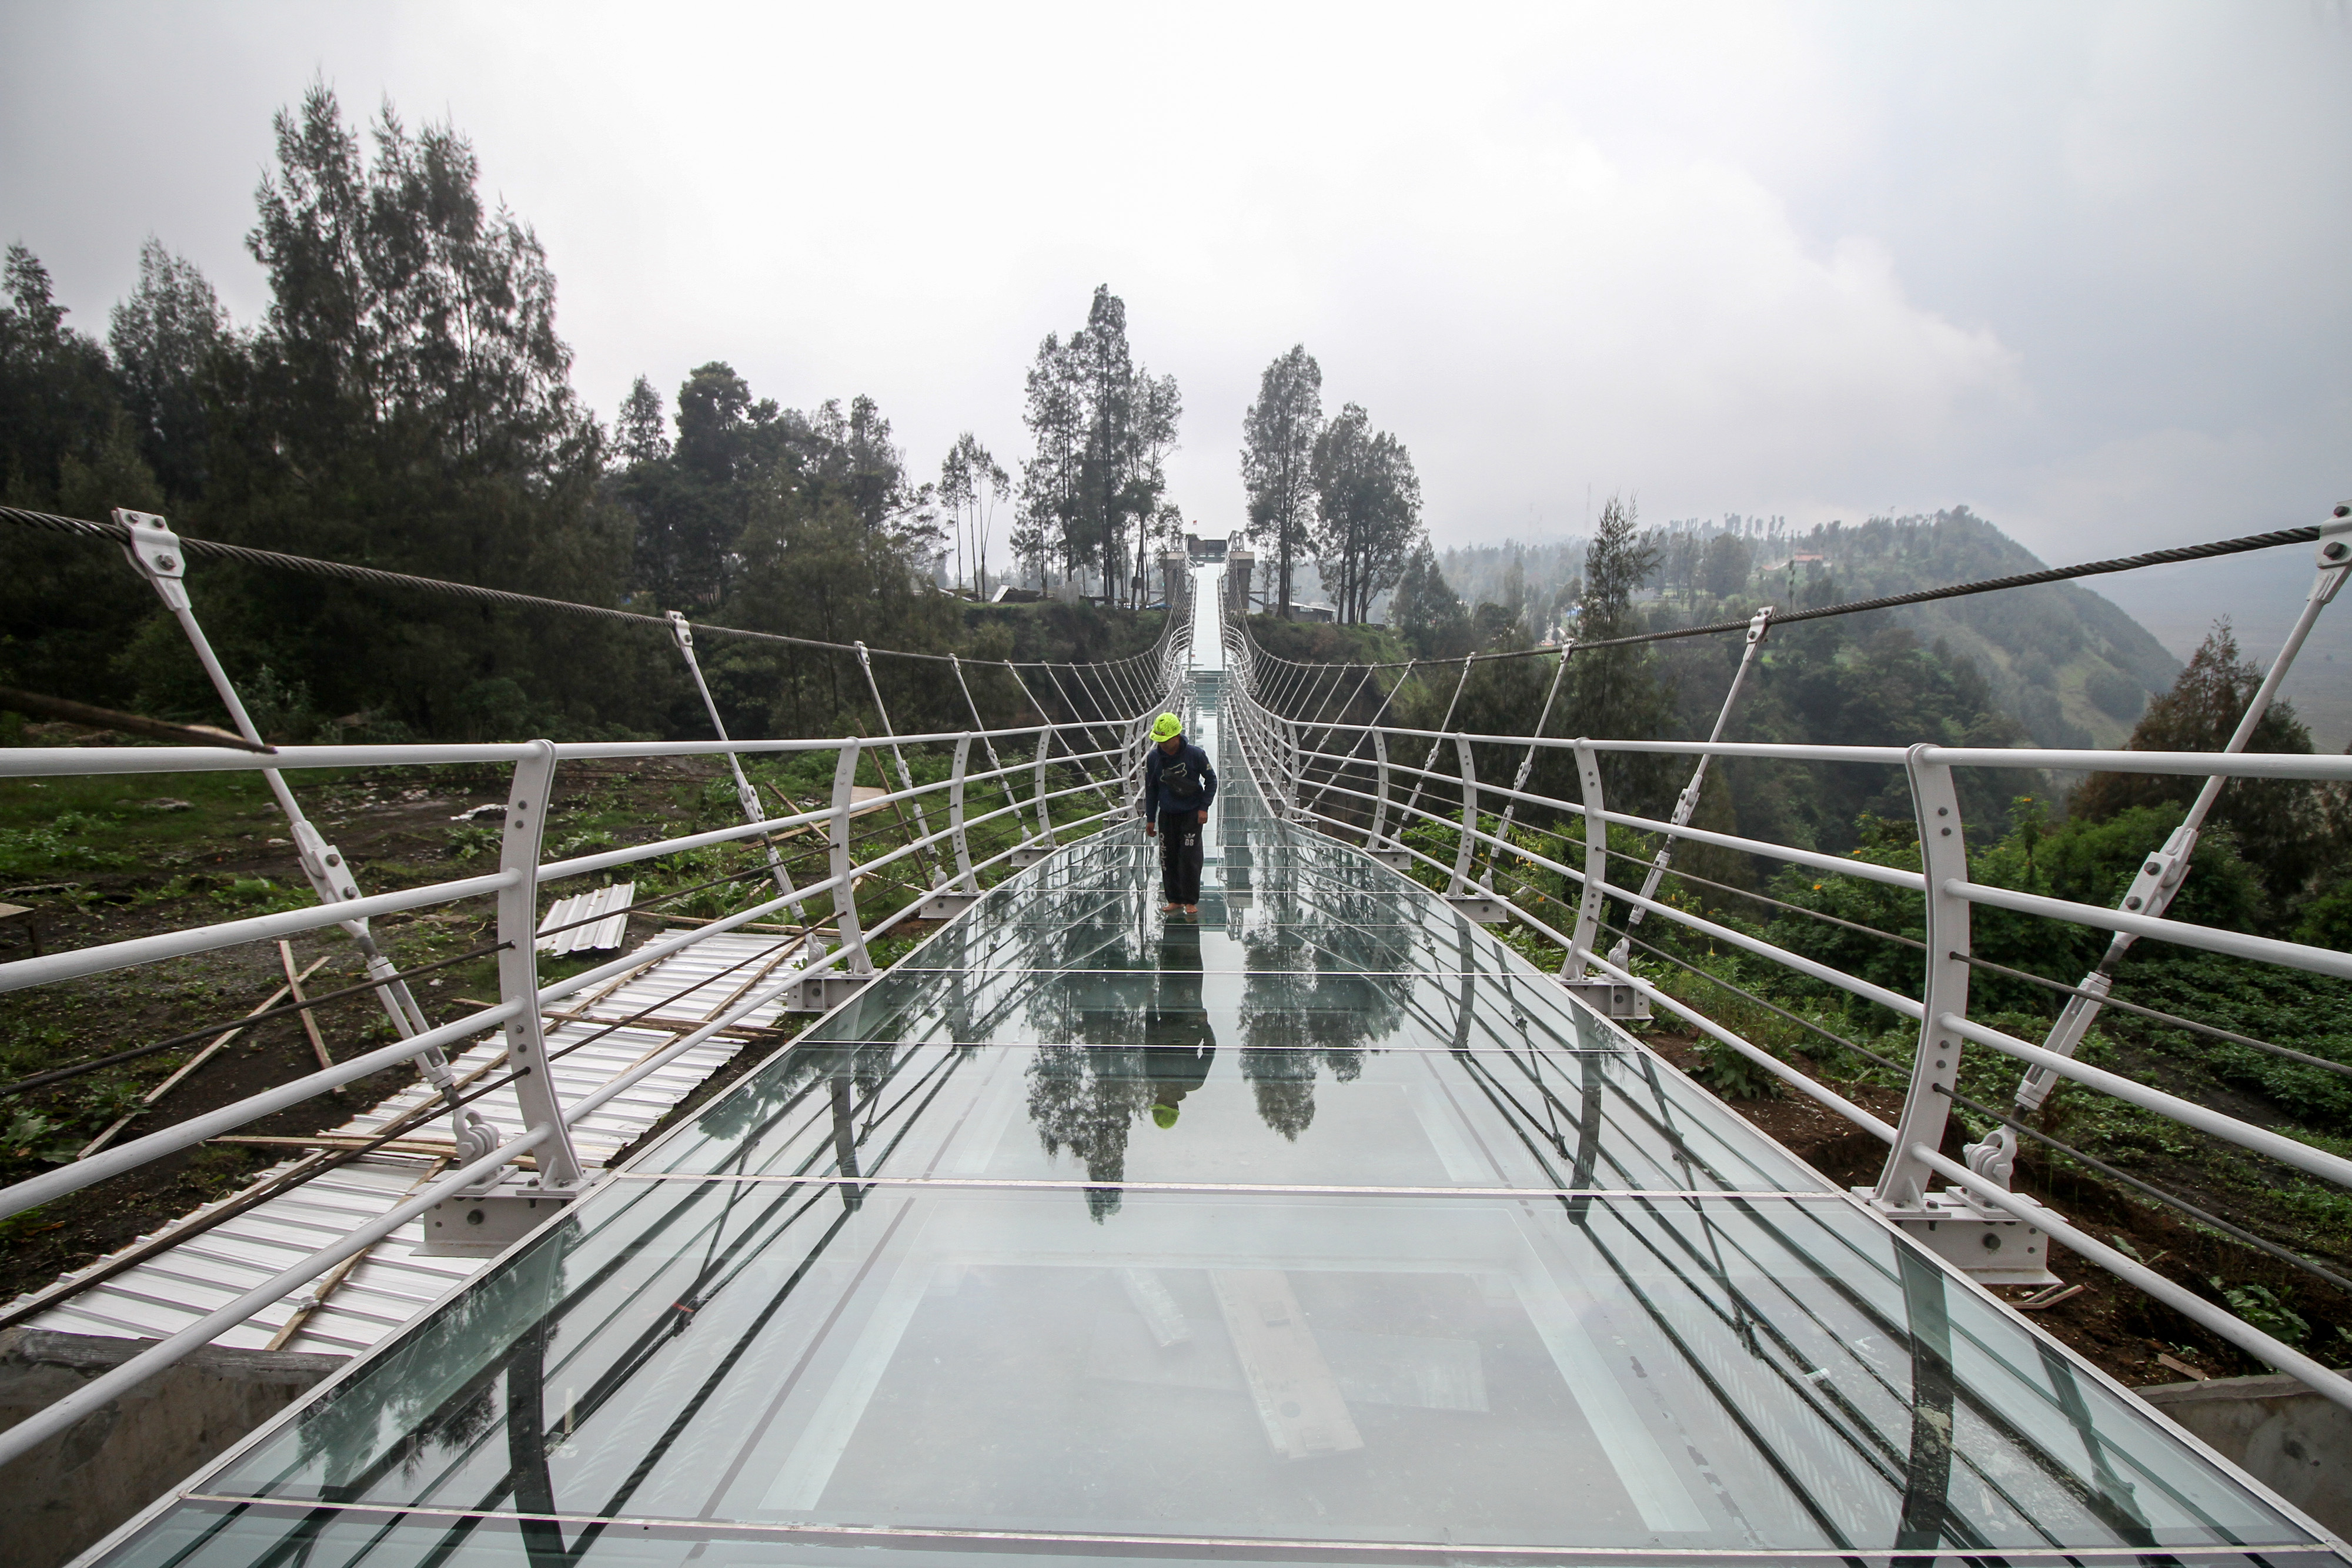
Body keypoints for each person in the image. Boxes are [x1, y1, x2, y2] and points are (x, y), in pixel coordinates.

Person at [1140, 711, 1215, 914]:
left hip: (1191, 814)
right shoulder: (1155, 758)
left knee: (1189, 857)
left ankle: (1191, 900)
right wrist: (1150, 818)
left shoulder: (1195, 755)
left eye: (1166, 741)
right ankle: (1174, 899)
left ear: (1177, 736)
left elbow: (1211, 780)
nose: (1163, 745)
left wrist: (1204, 808)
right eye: (1160, 741)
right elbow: (1152, 788)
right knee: (1167, 857)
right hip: (1167, 814)